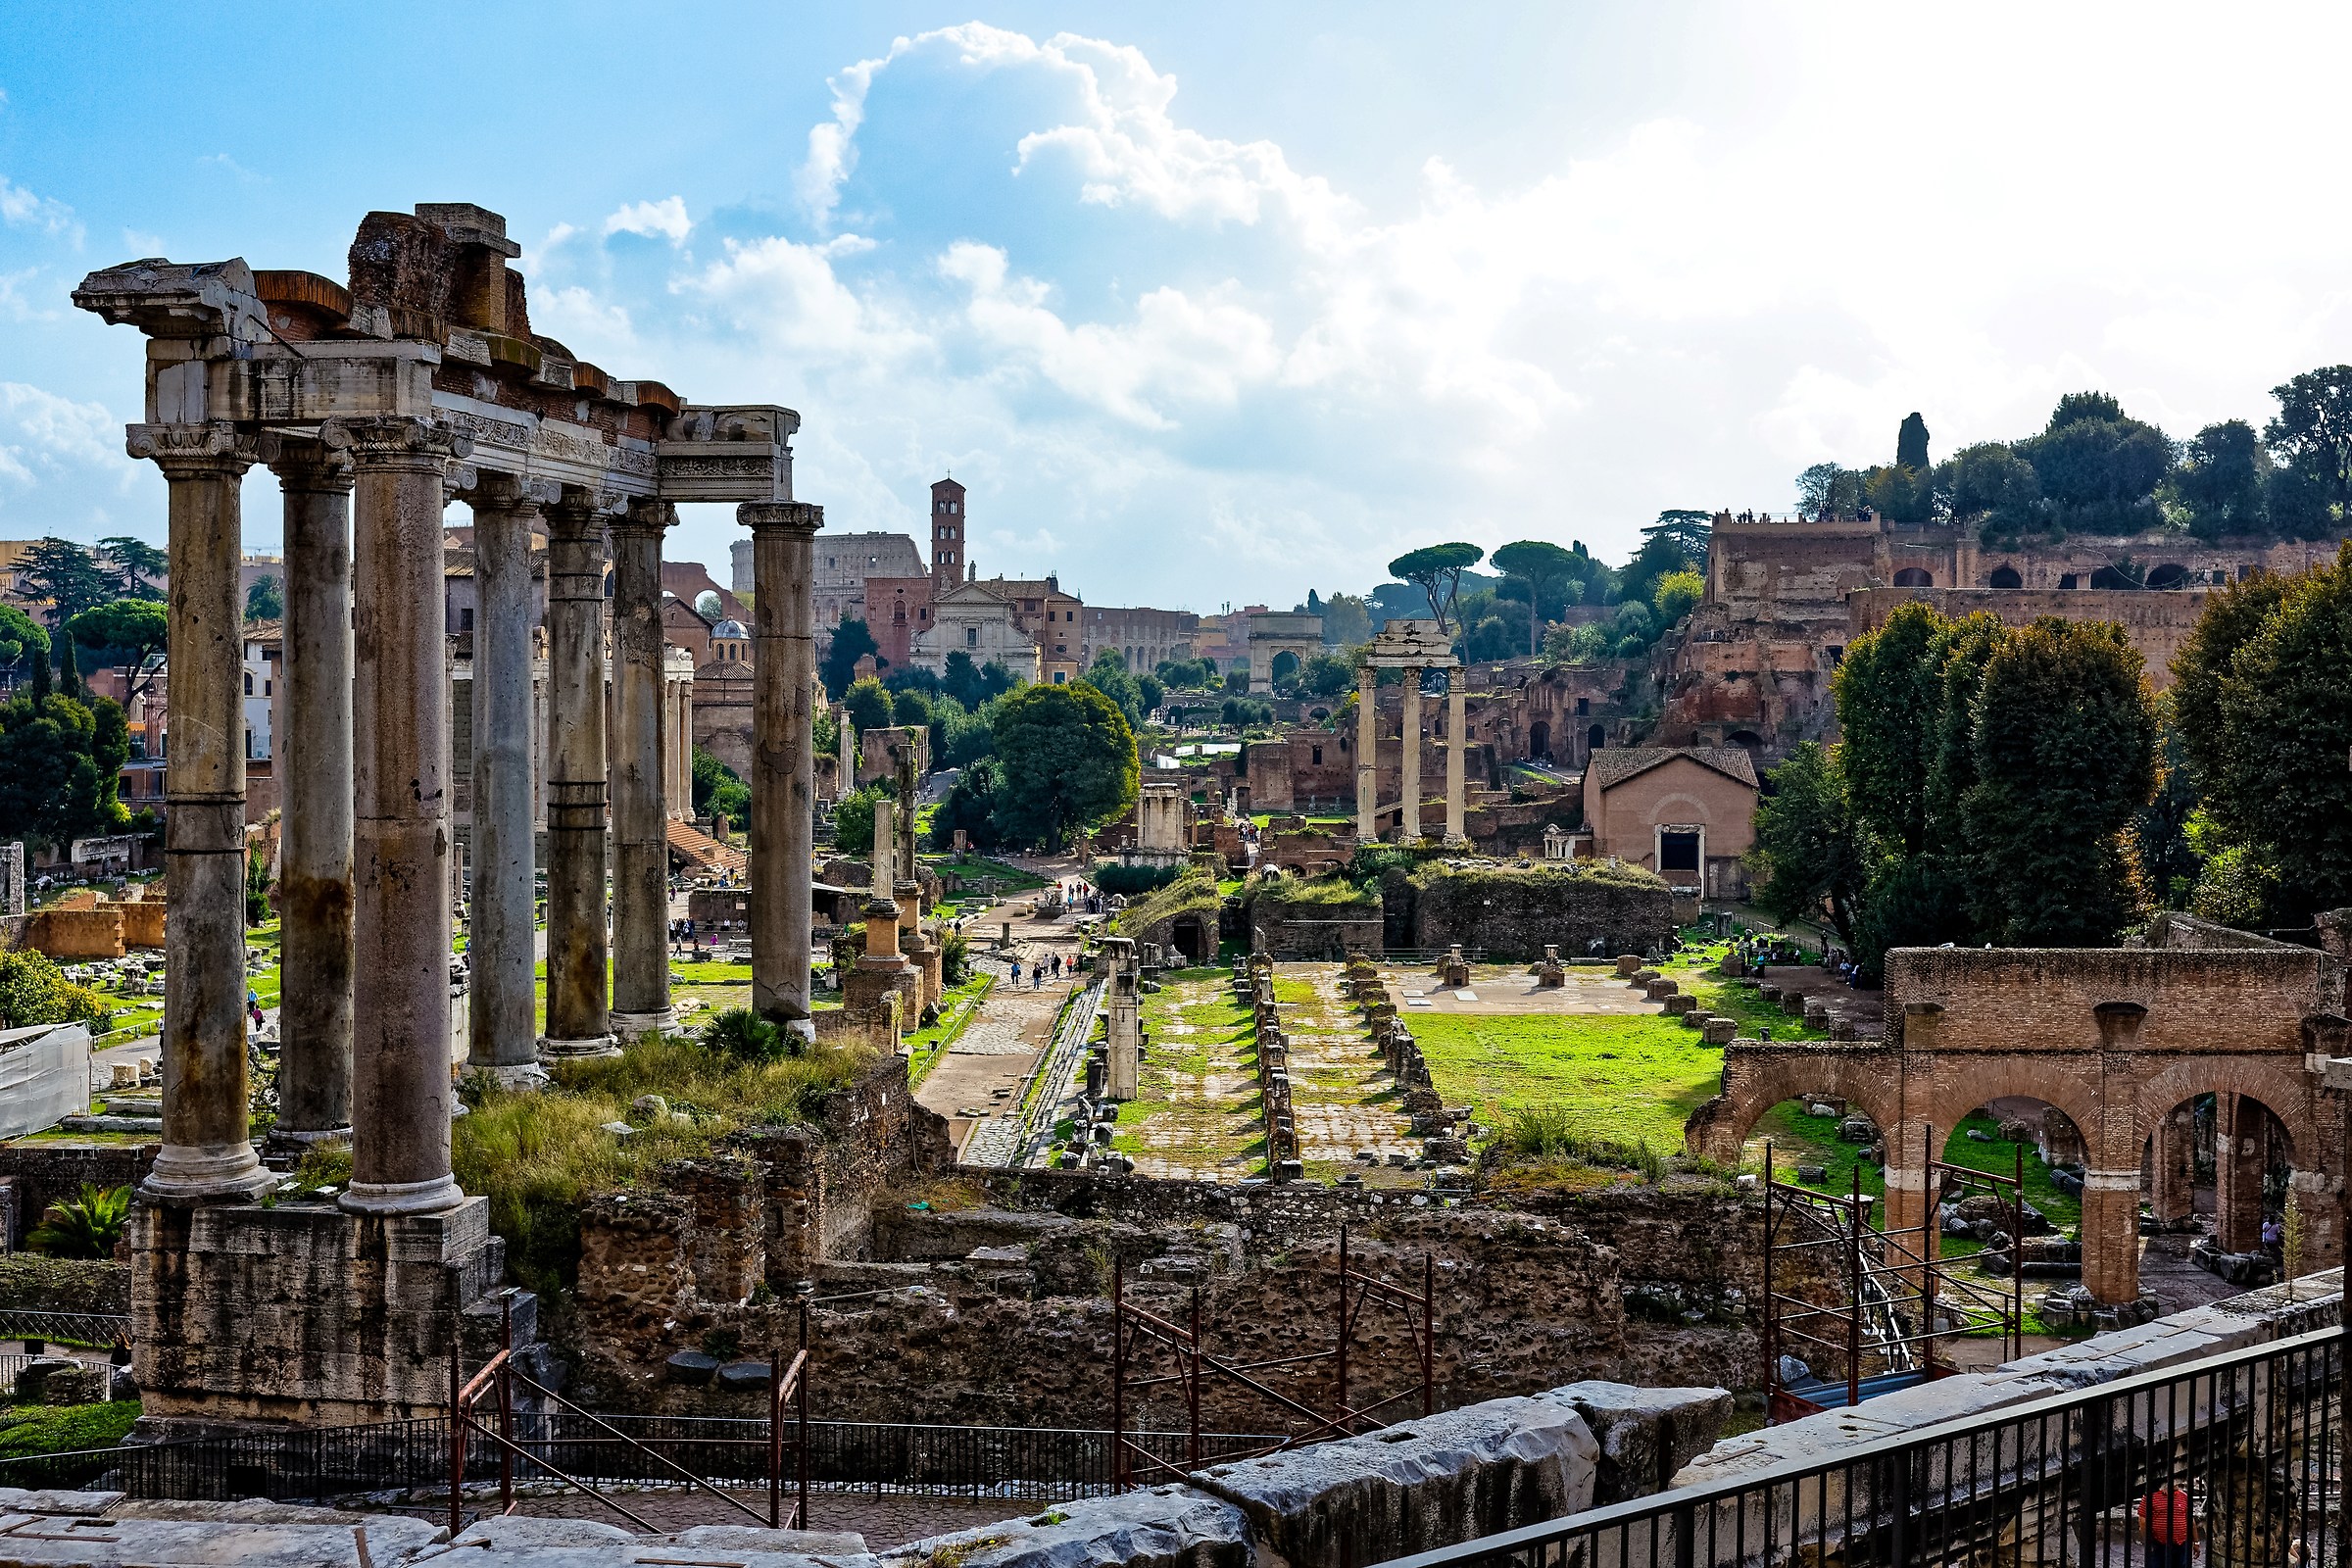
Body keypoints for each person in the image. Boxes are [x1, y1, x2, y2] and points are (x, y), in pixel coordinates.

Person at [2140, 1483, 2192, 1568]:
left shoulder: (2183, 1496)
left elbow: (2189, 1519)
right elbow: (2142, 1522)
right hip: (2159, 1544)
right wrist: (2149, 1542)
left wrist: (2196, 1541)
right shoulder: (2150, 1497)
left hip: (2181, 1544)